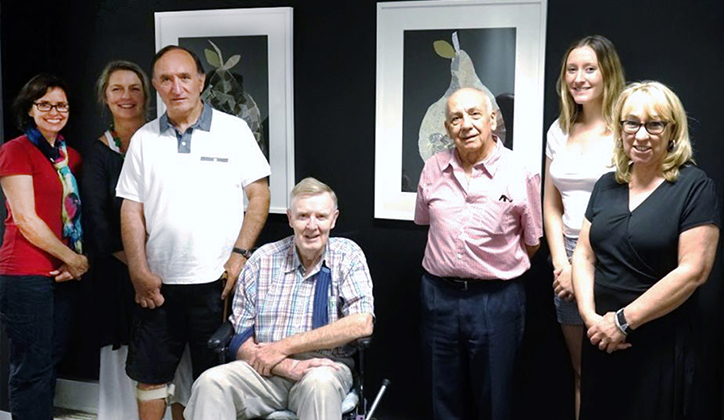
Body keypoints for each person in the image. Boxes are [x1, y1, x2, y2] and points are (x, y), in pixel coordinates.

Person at [116, 45, 271, 420]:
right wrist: (138, 270)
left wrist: (239, 256)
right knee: (151, 377)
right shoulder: (143, 140)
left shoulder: (233, 132)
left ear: (201, 81)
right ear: (155, 85)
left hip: (216, 283)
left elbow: (260, 194)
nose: (176, 87)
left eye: (185, 77)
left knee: (210, 380)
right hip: (156, 284)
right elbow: (131, 208)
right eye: (166, 79)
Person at [572, 81, 720, 420]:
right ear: (620, 128)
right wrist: (589, 316)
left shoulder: (693, 187)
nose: (641, 135)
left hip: (657, 343)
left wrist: (623, 322)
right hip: (600, 339)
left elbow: (694, 270)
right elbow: (584, 254)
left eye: (654, 124)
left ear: (672, 131)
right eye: (631, 123)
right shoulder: (606, 185)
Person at [184, 177, 375, 420]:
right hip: (265, 371)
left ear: (334, 219)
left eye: (321, 217)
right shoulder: (262, 260)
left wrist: (283, 348)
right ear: (289, 218)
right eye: (303, 216)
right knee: (210, 383)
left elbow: (362, 323)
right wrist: (286, 365)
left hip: (323, 368)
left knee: (320, 385)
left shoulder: (348, 256)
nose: (312, 226)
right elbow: (240, 336)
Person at [415, 87, 542, 420]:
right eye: (456, 118)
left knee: (494, 399)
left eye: (474, 114)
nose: (465, 124)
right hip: (437, 297)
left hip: (496, 299)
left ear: (492, 119)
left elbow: (532, 241)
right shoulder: (432, 168)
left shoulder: (521, 171)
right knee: (439, 396)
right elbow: (426, 222)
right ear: (447, 128)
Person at [83, 60, 192, 420]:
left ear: (148, 95)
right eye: (117, 89)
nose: (126, 96)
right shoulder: (99, 155)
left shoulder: (161, 140)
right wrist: (142, 270)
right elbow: (100, 226)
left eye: (134, 88)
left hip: (173, 273)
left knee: (180, 361)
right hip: (122, 276)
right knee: (130, 359)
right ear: (105, 97)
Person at [542, 35, 624, 418]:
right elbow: (551, 202)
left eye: (589, 68)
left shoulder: (625, 131)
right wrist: (561, 262)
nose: (579, 78)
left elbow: (624, 203)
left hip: (613, 256)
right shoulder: (558, 131)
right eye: (572, 69)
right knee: (582, 372)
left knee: (618, 370)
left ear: (607, 73)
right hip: (567, 258)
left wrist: (578, 268)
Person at [0, 73, 88, 419]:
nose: (54, 111)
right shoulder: (15, 151)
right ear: (30, 108)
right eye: (45, 104)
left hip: (61, 273)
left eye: (61, 105)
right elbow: (26, 220)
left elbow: (74, 218)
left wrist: (71, 262)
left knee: (50, 360)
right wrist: (74, 259)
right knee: (31, 367)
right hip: (25, 273)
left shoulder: (70, 158)